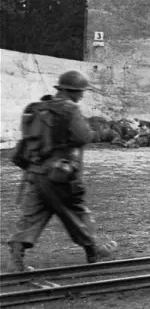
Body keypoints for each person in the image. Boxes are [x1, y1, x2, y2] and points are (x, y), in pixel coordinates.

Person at [7, 71, 117, 272]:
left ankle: (16, 260)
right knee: (76, 210)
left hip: (34, 172)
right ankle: (93, 250)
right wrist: (96, 132)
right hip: (59, 174)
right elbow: (82, 137)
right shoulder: (69, 110)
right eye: (80, 92)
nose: (81, 96)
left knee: (32, 216)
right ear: (72, 91)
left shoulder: (38, 108)